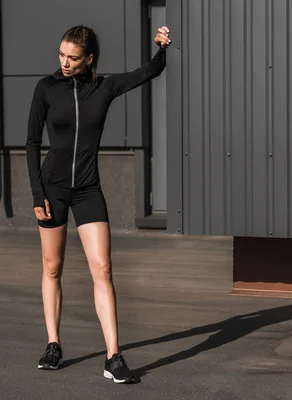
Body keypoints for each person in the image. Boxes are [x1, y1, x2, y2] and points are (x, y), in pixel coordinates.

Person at [26, 25, 171, 383]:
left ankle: (113, 357)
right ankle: (53, 344)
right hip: (52, 190)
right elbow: (31, 142)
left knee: (103, 269)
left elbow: (150, 71)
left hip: (88, 189)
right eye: (61, 54)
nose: (64, 62)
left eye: (73, 57)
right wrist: (36, 194)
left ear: (89, 58)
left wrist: (161, 47)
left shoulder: (105, 87)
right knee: (52, 267)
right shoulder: (46, 88)